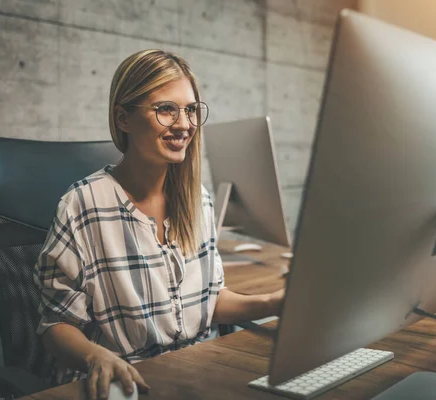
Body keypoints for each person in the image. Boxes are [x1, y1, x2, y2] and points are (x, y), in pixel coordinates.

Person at [34, 49, 285, 400]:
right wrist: (96, 357)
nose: (184, 124)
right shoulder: (82, 205)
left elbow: (208, 302)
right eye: (166, 109)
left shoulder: (198, 200)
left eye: (191, 110)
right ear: (123, 118)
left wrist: (274, 302)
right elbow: (56, 325)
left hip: (197, 371)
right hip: (127, 381)